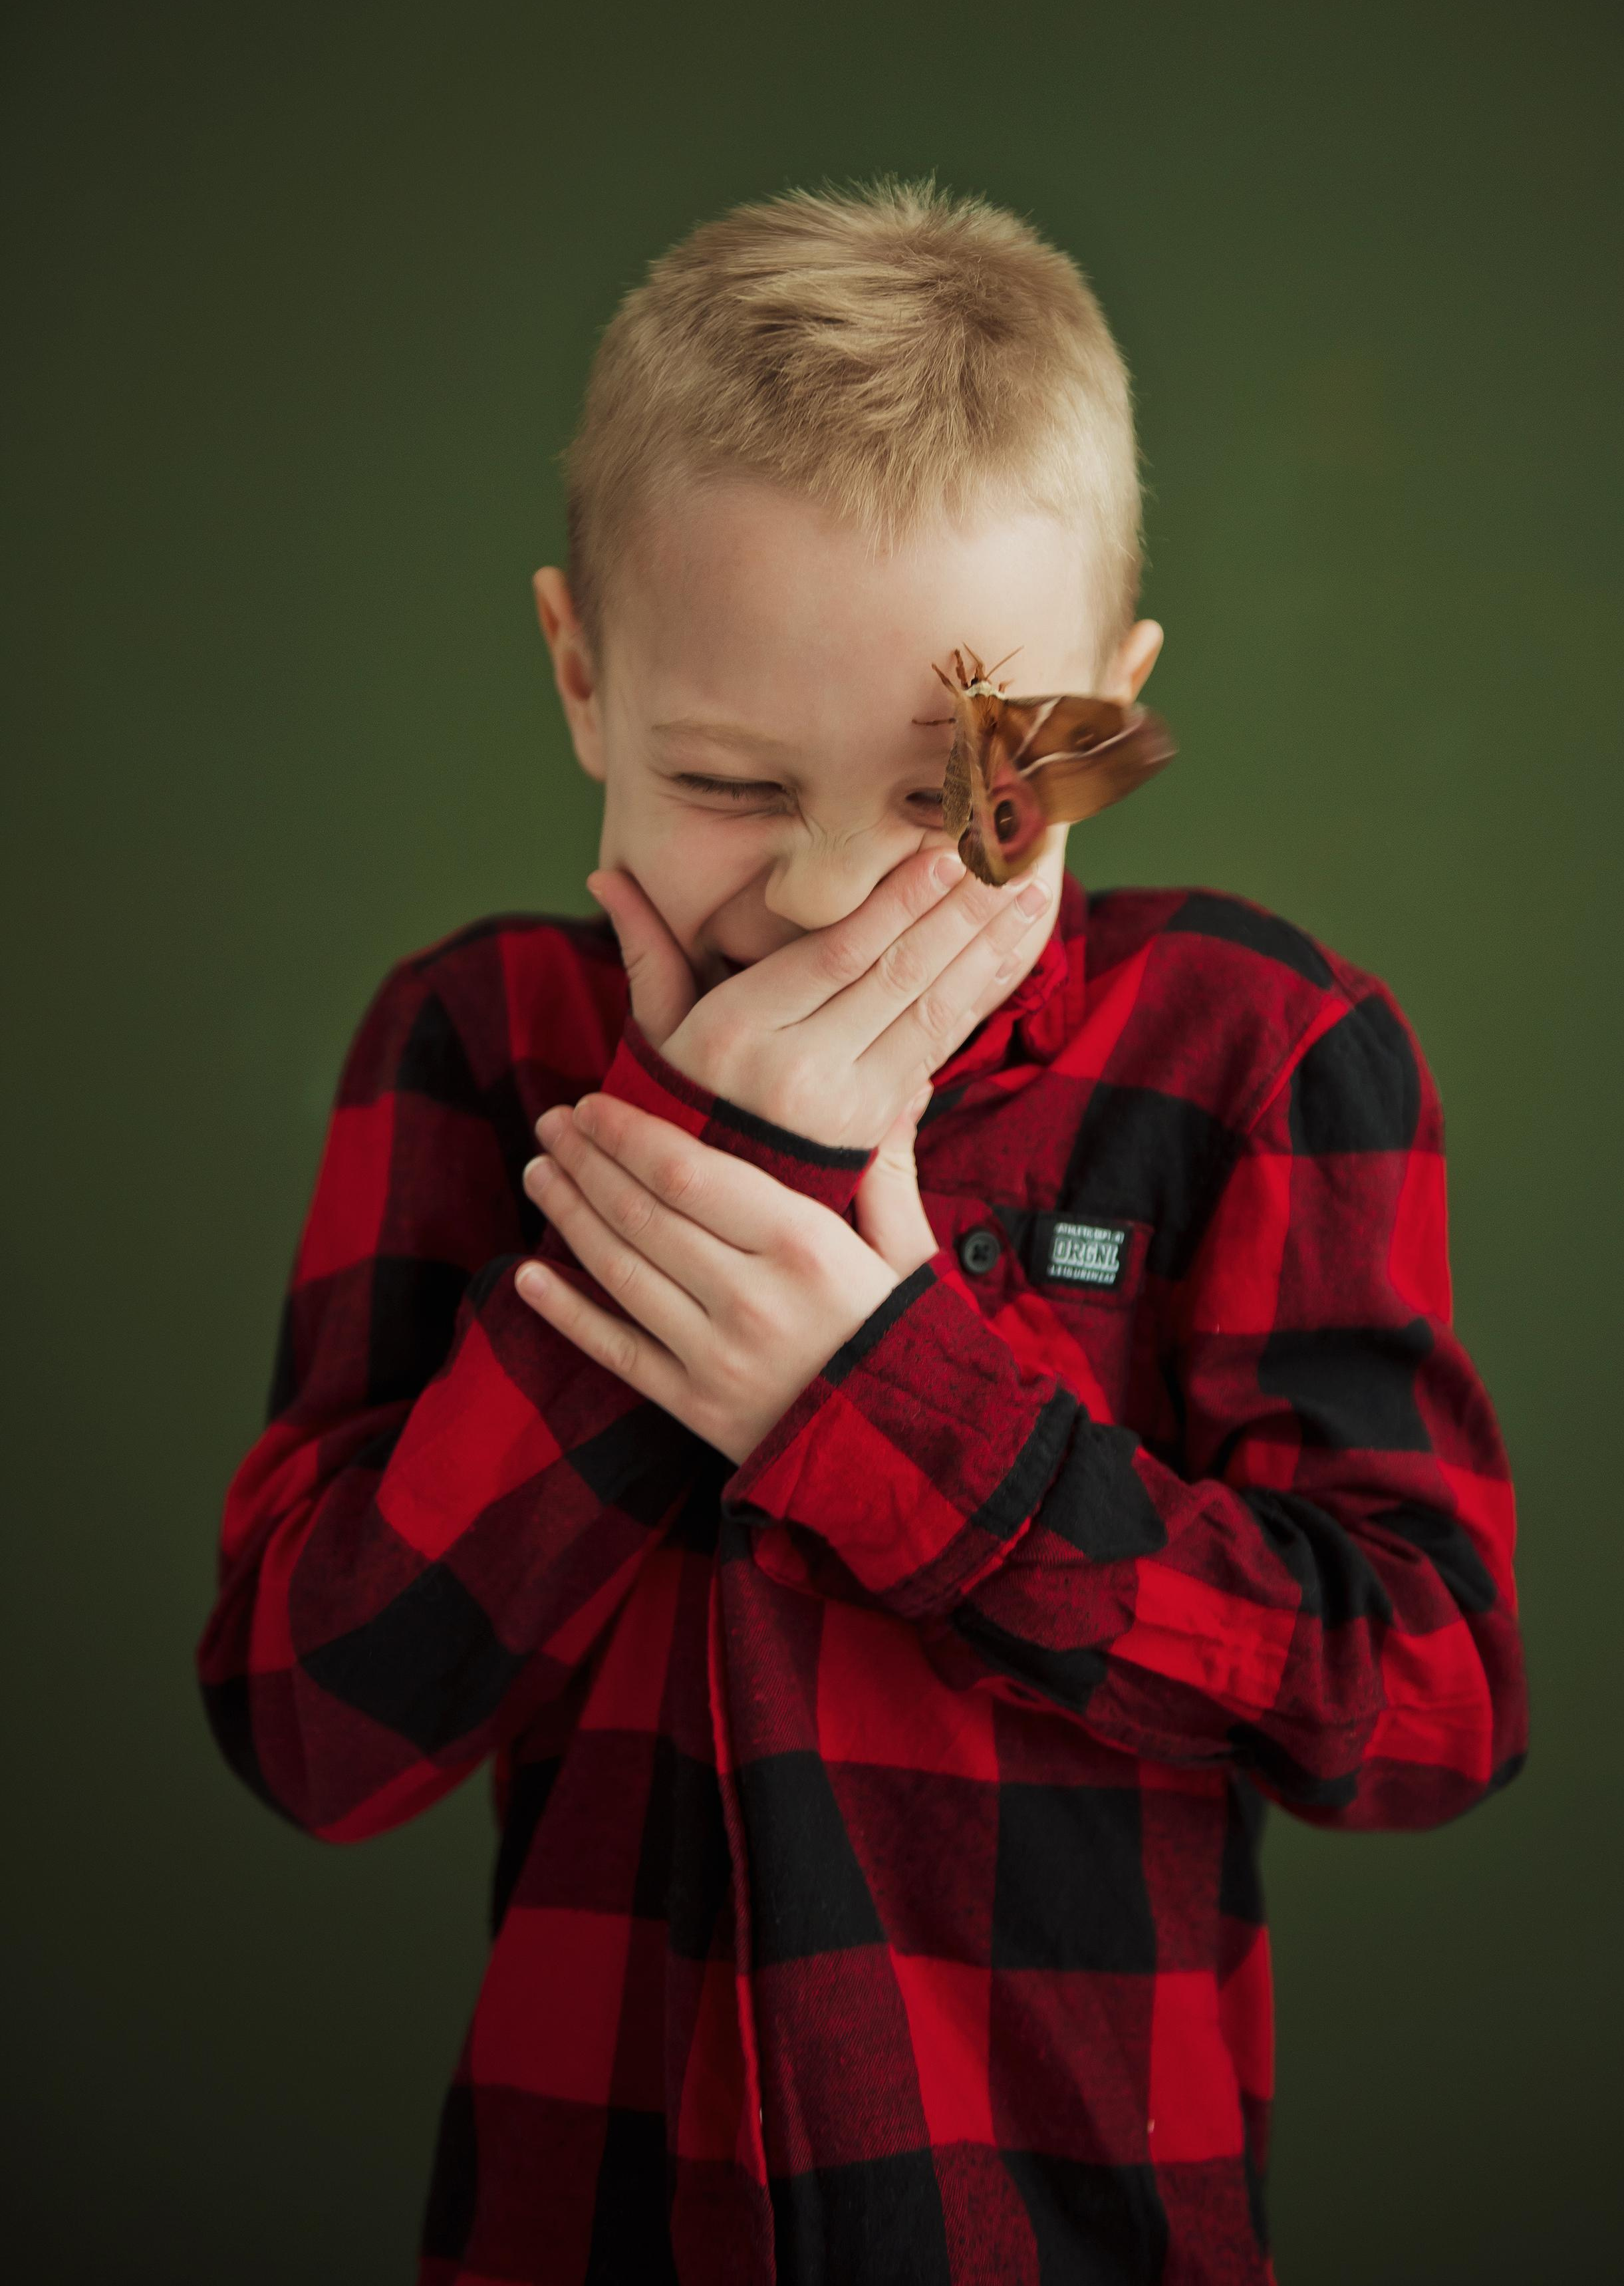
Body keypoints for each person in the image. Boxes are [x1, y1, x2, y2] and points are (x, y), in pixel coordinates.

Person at [198, 180, 1527, 2286]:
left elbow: (1426, 1696)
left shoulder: (1266, 1056)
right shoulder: (468, 1046)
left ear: (1098, 715)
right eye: (726, 782)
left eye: (943, 800)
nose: (828, 897)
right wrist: (692, 1174)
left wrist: (876, 1390)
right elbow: (314, 1723)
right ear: (578, 675)